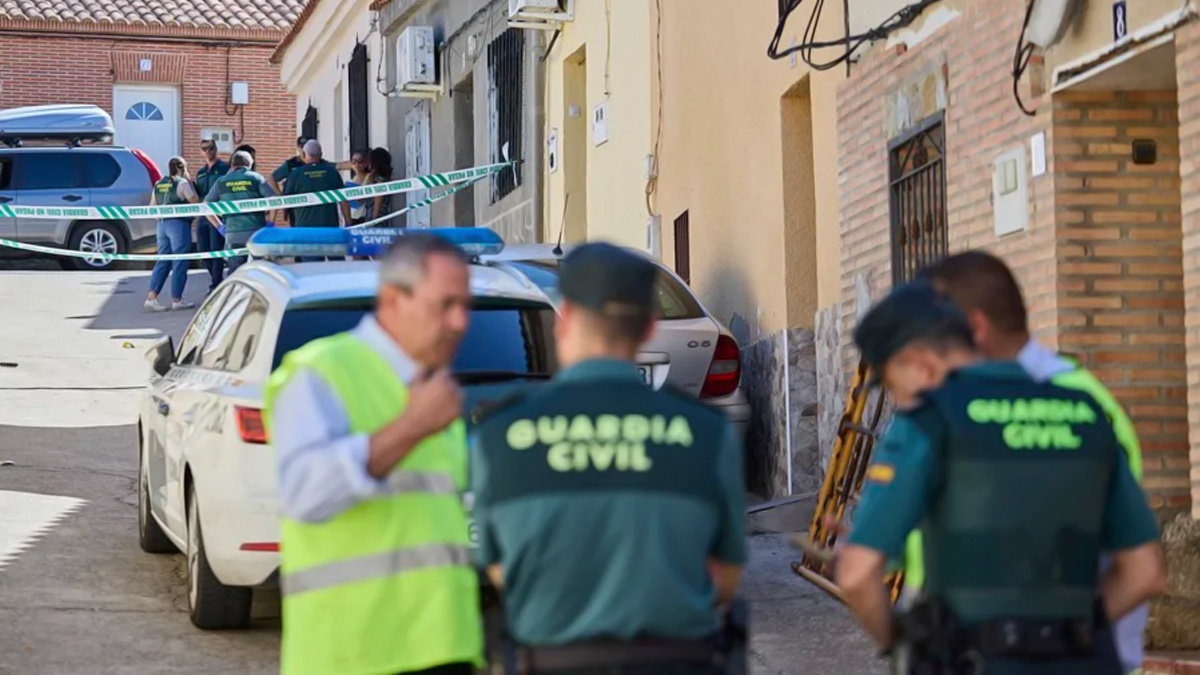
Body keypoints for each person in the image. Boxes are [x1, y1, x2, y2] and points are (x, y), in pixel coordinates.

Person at [835, 280, 1165, 674]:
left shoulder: (928, 421)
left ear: (919, 363)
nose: (898, 400)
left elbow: (857, 575)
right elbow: (1145, 572)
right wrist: (1072, 634)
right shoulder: (1086, 411)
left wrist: (900, 644)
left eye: (892, 384)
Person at [470, 242, 747, 674]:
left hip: (553, 661)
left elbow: (498, 569)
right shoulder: (706, 433)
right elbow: (725, 576)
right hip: (678, 660)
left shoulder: (501, 434)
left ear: (564, 324)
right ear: (649, 327)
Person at [264, 233, 483, 675]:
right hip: (351, 654)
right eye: (444, 305)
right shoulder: (318, 373)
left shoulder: (433, 389)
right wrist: (409, 428)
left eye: (466, 306)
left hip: (443, 648)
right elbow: (304, 492)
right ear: (392, 299)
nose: (460, 322)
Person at [922, 250, 1150, 674]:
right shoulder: (1081, 400)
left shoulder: (1072, 402)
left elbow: (1134, 564)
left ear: (975, 327)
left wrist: (1061, 635)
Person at [203, 151, 274, 274]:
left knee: (236, 272)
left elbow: (205, 206)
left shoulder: (222, 181)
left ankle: (237, 293)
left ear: (232, 165)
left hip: (233, 234)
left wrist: (220, 226)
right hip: (256, 233)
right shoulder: (256, 178)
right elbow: (273, 201)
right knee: (260, 270)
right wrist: (271, 222)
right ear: (249, 164)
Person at [145, 156, 199, 312]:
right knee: (180, 260)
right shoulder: (182, 183)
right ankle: (177, 299)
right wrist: (189, 181)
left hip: (161, 225)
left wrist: (162, 220)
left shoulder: (158, 184)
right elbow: (195, 201)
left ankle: (152, 297)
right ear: (182, 168)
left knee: (163, 260)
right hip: (178, 224)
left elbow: (152, 207)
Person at [285, 139, 352, 261]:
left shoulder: (295, 175)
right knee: (337, 268)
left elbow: (286, 202)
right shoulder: (332, 172)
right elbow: (344, 201)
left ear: (304, 155)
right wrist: (348, 223)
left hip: (306, 231)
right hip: (330, 229)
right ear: (321, 155)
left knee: (312, 269)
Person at [193, 138, 230, 294]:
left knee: (216, 252)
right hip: (203, 217)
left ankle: (216, 285)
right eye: (204, 149)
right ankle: (216, 280)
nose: (207, 152)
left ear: (216, 148)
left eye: (210, 148)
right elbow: (198, 195)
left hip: (218, 216)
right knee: (203, 252)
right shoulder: (200, 173)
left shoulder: (225, 168)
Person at [269, 136, 307, 226]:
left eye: (306, 147)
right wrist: (281, 196)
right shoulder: (291, 164)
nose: (303, 150)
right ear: (298, 148)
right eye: (301, 147)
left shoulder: (316, 161)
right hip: (295, 206)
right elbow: (272, 178)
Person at [364, 146, 395, 224]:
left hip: (376, 220)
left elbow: (377, 203)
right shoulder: (383, 180)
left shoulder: (379, 182)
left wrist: (373, 221)